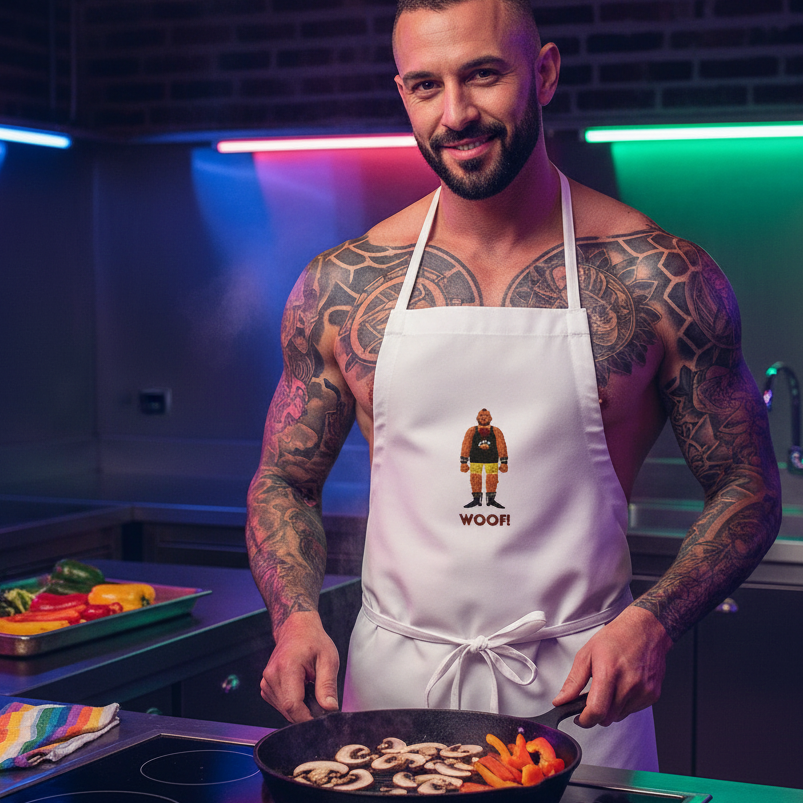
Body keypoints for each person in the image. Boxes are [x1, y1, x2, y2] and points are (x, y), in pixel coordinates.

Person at [246, 0, 781, 771]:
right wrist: (294, 618)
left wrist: (651, 621)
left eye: (483, 75)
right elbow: (283, 479)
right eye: (425, 86)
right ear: (402, 93)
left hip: (584, 696)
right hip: (390, 700)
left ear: (545, 73)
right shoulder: (341, 285)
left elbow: (746, 484)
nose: (455, 112)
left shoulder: (657, 277)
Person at [461, 408, 508, 508]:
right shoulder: (471, 431)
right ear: (478, 418)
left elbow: (501, 446)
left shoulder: (496, 431)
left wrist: (504, 462)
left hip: (492, 459)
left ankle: (491, 500)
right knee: (475, 478)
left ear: (489, 418)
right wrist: (463, 462)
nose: (483, 418)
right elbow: (466, 445)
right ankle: (476, 499)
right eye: (481, 416)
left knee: (492, 479)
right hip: (475, 459)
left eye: (486, 416)